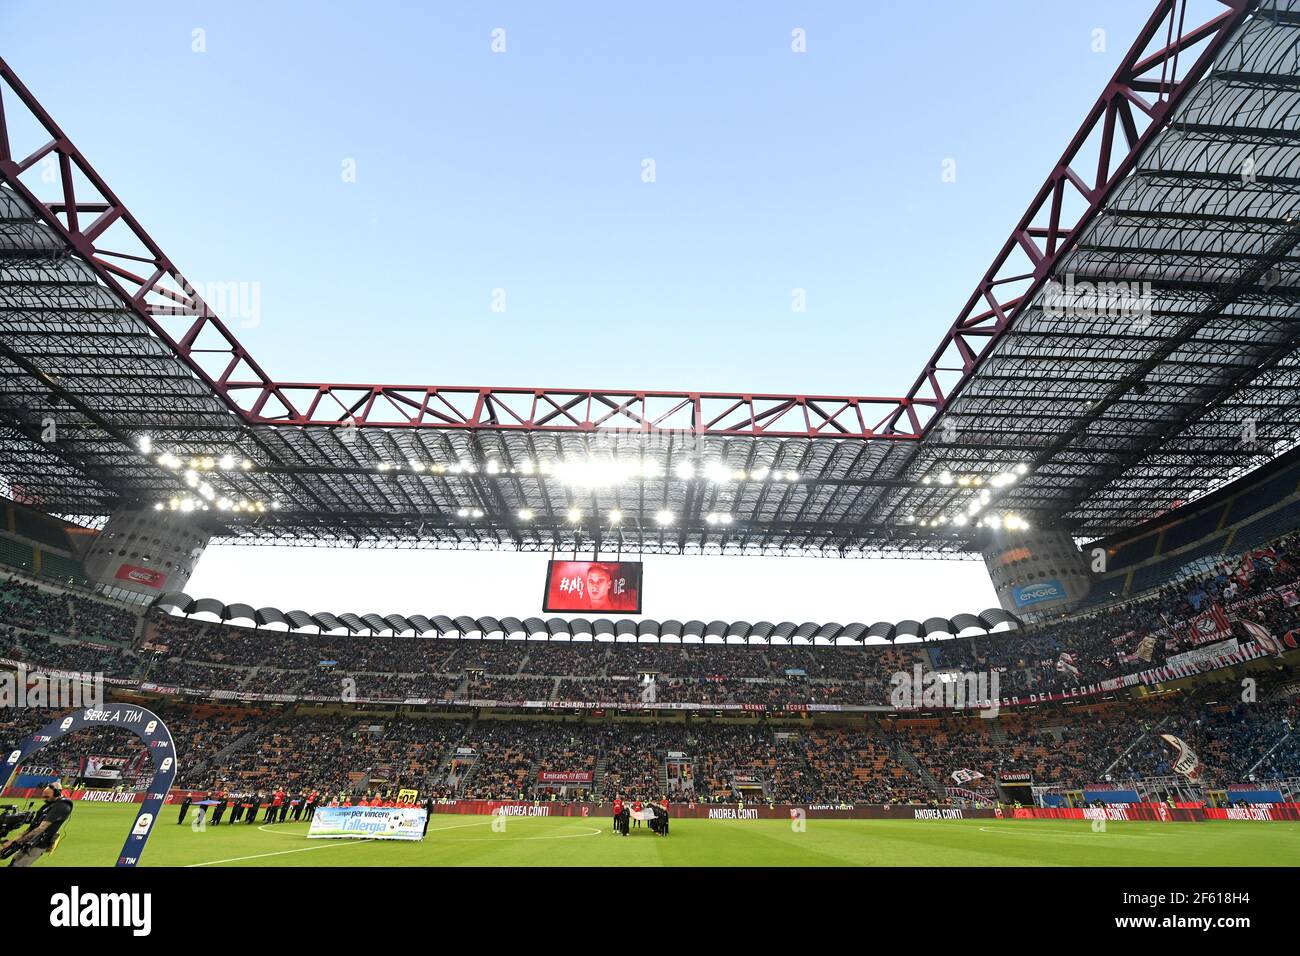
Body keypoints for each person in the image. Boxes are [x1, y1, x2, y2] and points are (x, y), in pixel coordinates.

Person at [3, 782, 73, 867]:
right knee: (13, 862)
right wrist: (13, 841)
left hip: (39, 843)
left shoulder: (62, 806)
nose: (44, 799)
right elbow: (31, 828)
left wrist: (16, 842)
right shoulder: (47, 806)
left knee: (18, 865)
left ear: (57, 793)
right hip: (30, 841)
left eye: (47, 796)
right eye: (43, 796)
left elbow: (41, 828)